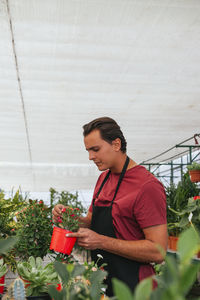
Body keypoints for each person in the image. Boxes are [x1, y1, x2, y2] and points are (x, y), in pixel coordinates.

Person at [52, 117, 167, 296]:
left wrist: (101, 241)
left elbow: (158, 252)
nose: (90, 157)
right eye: (88, 150)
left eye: (95, 149)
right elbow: (91, 222)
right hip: (104, 282)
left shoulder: (147, 186)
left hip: (137, 289)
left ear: (116, 144)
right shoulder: (104, 178)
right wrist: (68, 217)